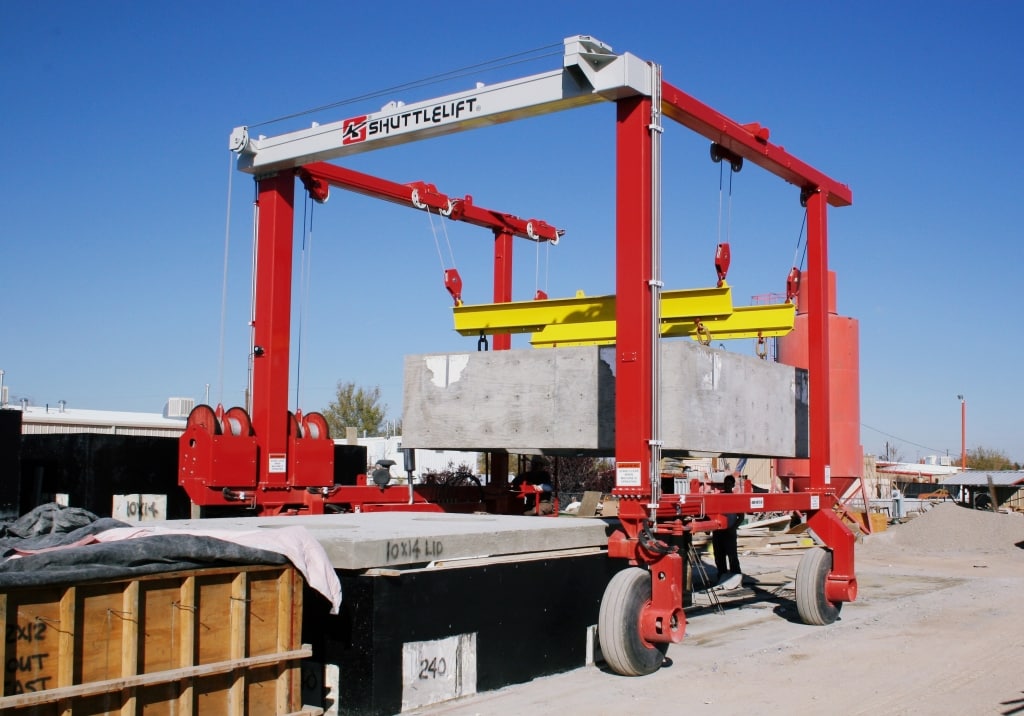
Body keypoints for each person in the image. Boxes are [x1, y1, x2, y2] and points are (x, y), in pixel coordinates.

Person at [712, 474, 742, 581]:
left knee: (732, 556)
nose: (727, 486)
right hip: (718, 531)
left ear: (733, 485)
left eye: (729, 484)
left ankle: (736, 577)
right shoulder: (718, 497)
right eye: (725, 484)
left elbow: (741, 516)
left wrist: (733, 528)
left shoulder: (735, 499)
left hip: (730, 531)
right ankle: (722, 576)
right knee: (719, 556)